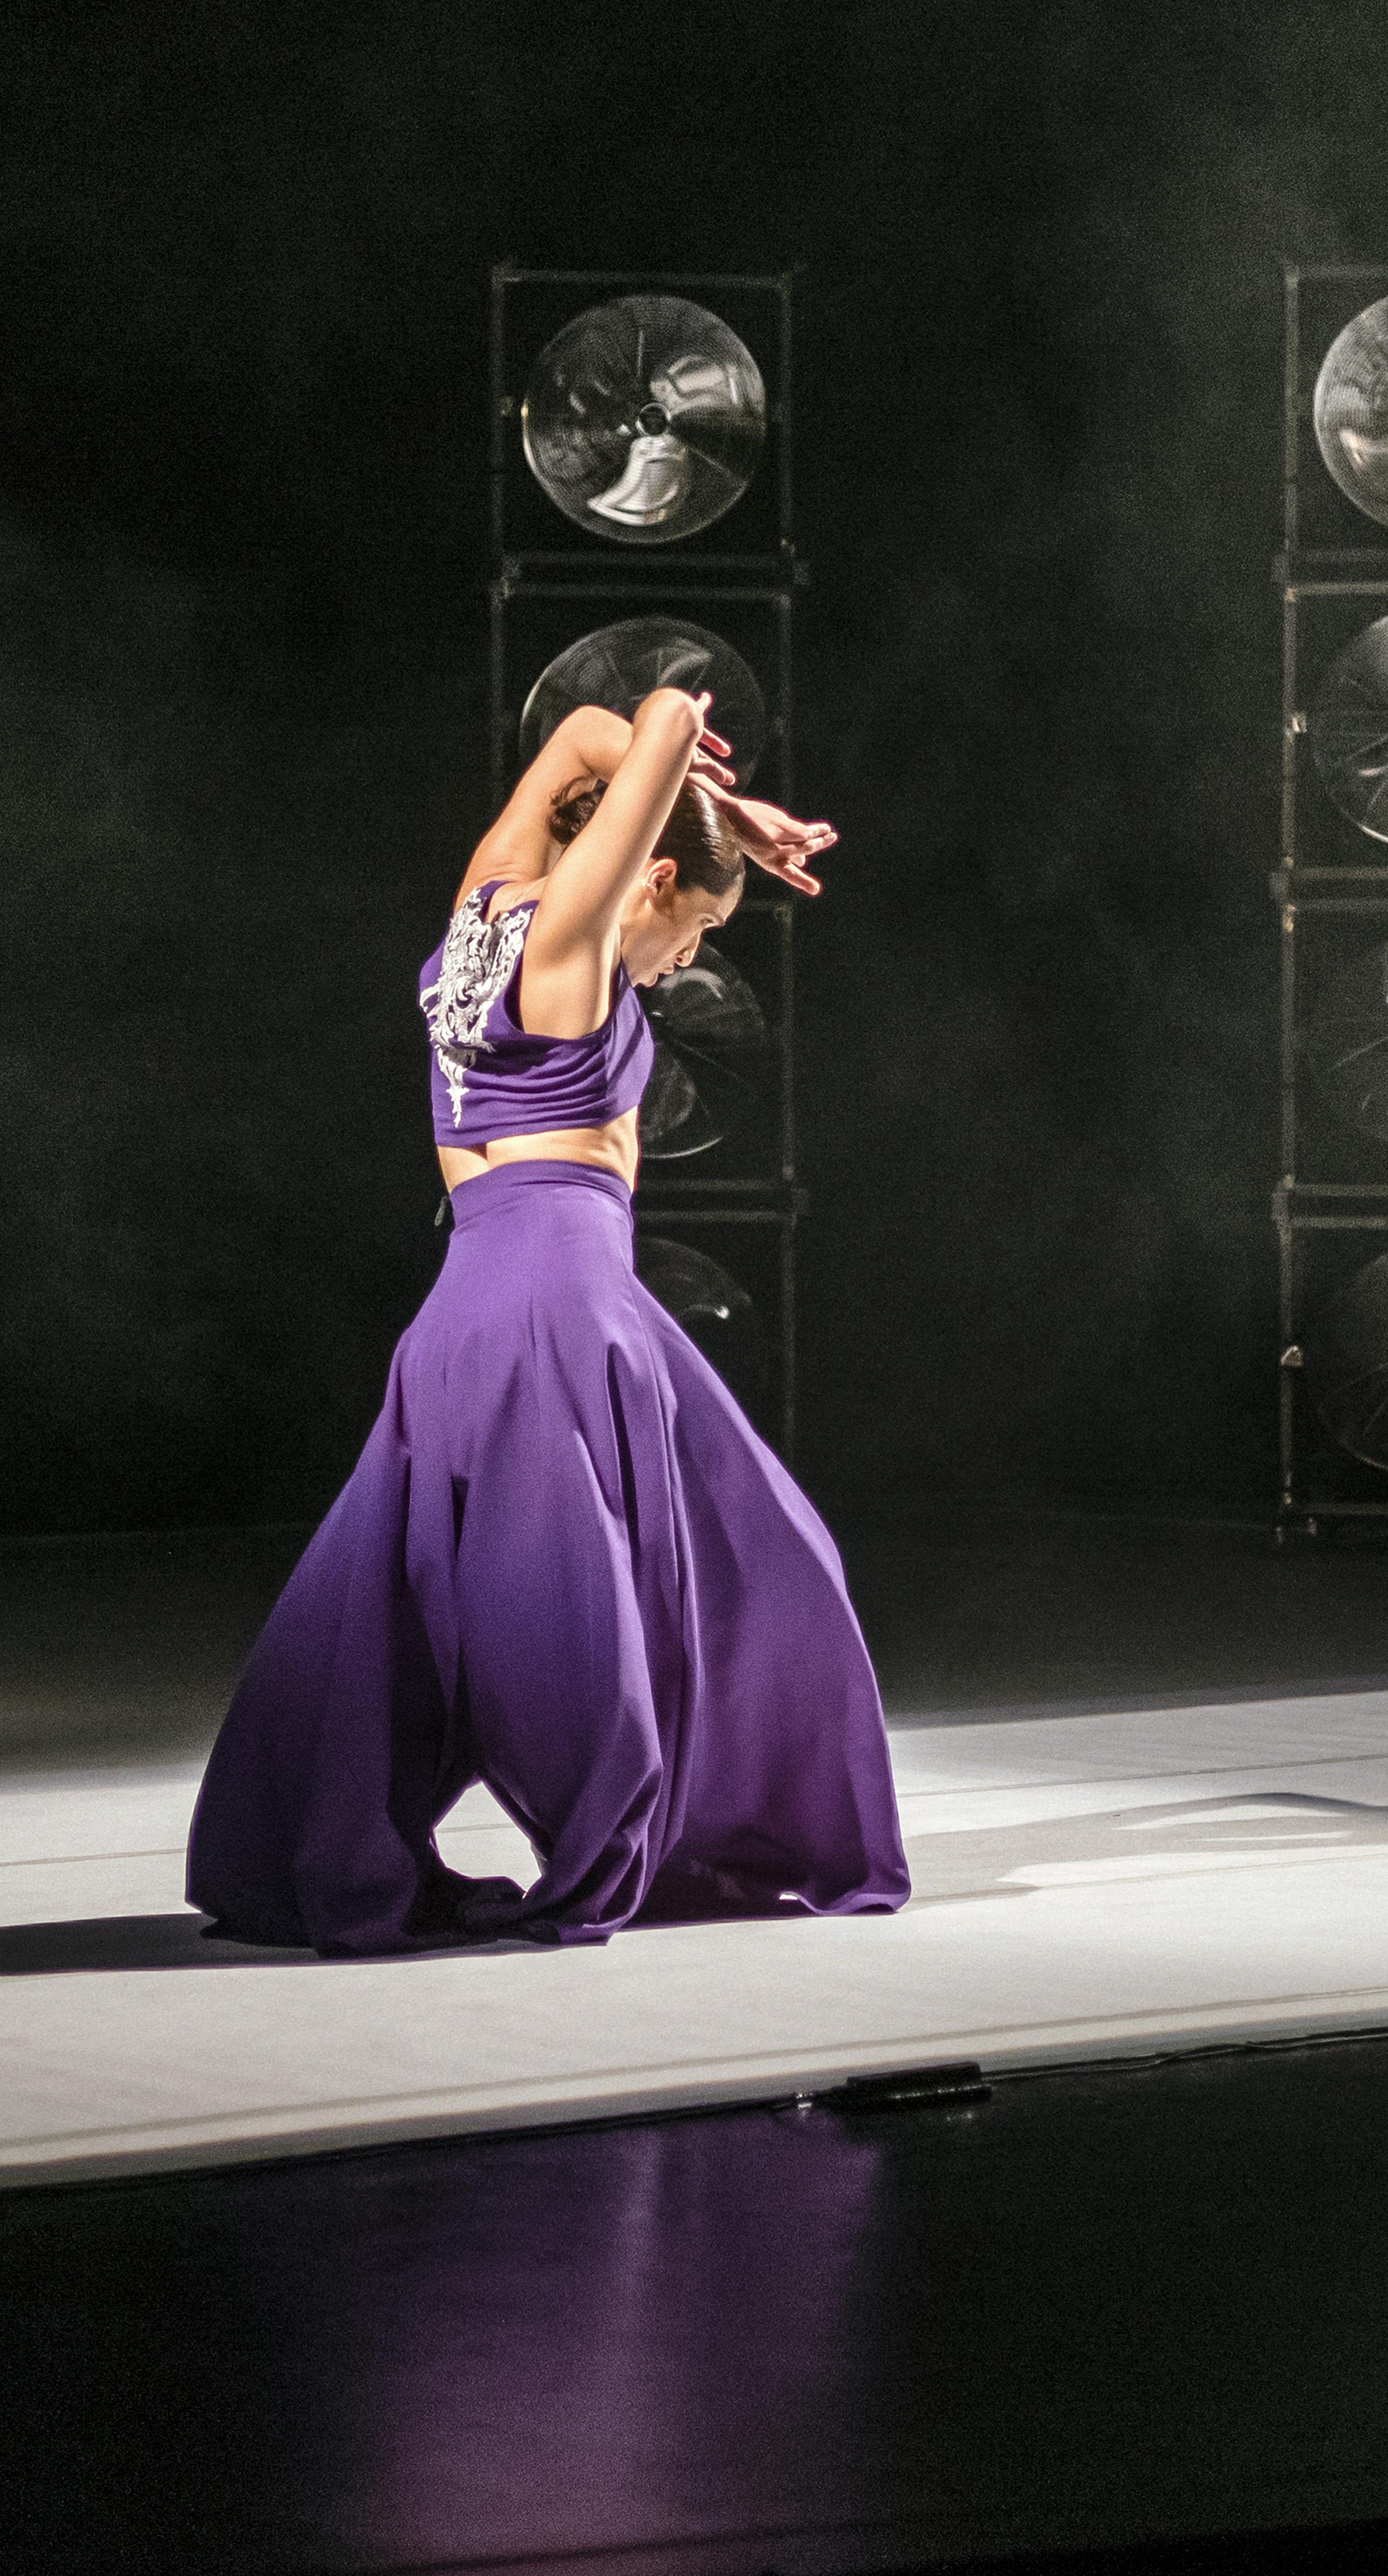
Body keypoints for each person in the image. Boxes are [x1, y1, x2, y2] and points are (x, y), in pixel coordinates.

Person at [185, 686, 910, 1953]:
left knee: (452, 1602)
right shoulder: (568, 942)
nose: (687, 962)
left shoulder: (484, 905)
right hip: (558, 1307)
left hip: (476, 1307)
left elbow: (582, 731)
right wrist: (686, 746)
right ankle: (615, 1855)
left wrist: (725, 810)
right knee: (625, 1595)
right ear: (646, 877)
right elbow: (652, 718)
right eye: (694, 928)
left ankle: (376, 1837)